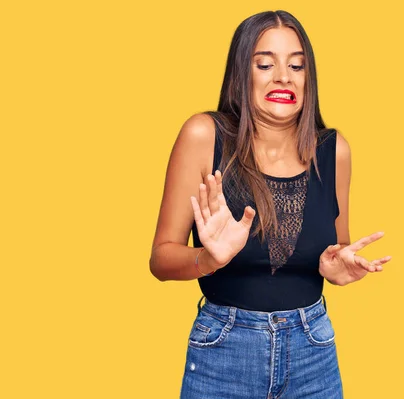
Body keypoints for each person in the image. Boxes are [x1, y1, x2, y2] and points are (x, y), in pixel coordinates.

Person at [149, 10, 391, 398]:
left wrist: (336, 265)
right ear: (241, 74)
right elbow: (160, 259)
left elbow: (337, 247)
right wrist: (209, 260)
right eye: (266, 64)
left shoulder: (333, 151)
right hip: (225, 351)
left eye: (297, 65)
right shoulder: (203, 136)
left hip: (313, 350)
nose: (284, 76)